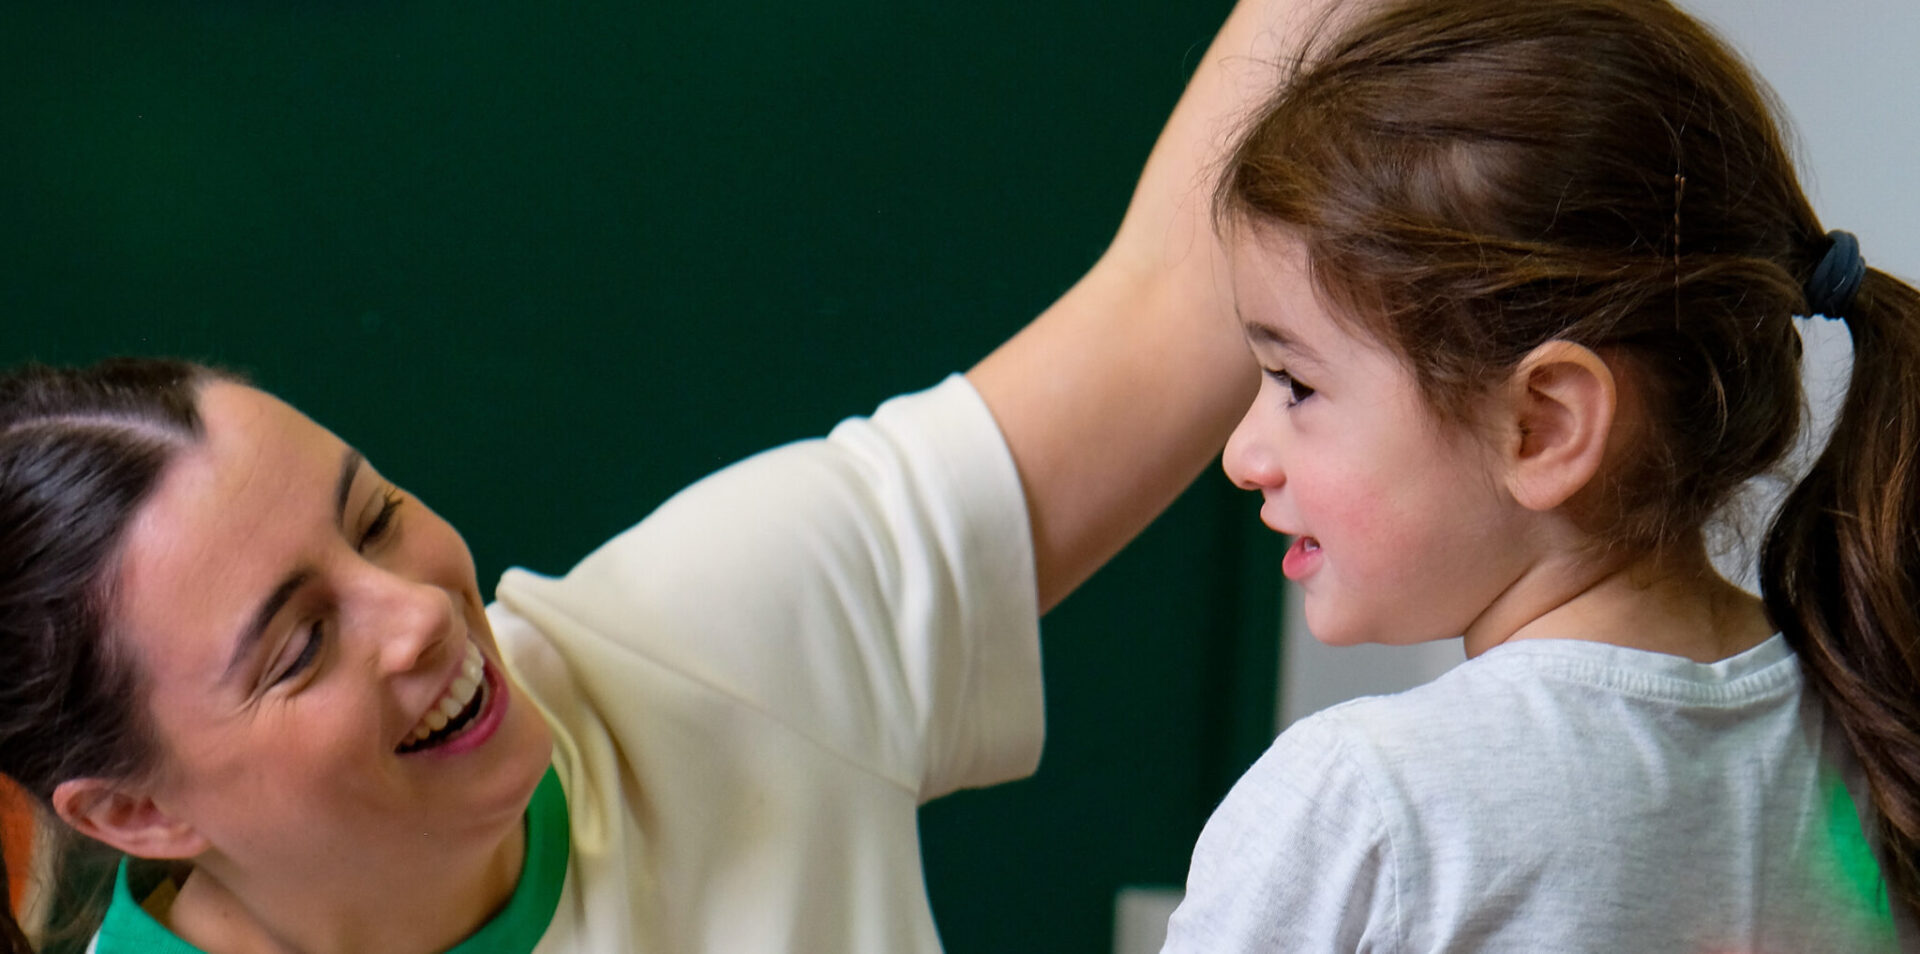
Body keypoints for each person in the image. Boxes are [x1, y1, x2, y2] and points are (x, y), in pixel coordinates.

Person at [0, 0, 1322, 951]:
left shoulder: (700, 642)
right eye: (297, 644)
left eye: (379, 516)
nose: (416, 612)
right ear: (135, 809)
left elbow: (1174, 302)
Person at [1160, 0, 1920, 950]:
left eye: (1295, 383)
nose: (1244, 456)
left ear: (1544, 426)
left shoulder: (1364, 805)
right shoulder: (1872, 740)